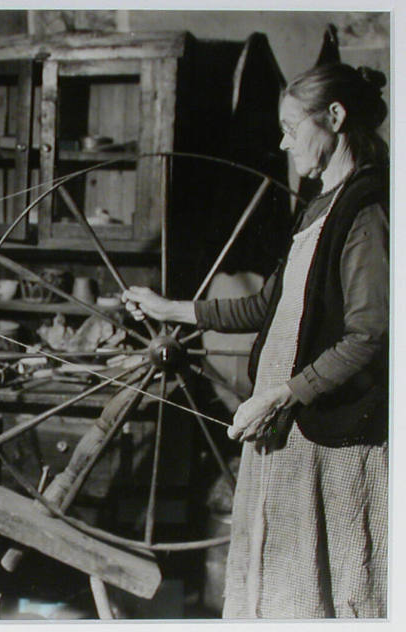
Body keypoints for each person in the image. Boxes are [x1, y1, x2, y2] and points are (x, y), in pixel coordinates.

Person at [122, 63, 389, 619]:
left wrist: (282, 395)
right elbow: (269, 305)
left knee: (321, 591)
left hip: (328, 438)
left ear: (335, 118)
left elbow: (370, 337)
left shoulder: (367, 210)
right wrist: (169, 307)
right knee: (279, 586)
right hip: (286, 432)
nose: (282, 141)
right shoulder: (320, 204)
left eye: (292, 127)